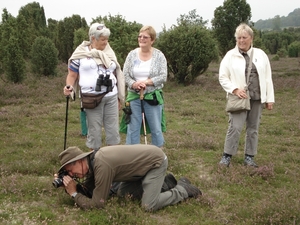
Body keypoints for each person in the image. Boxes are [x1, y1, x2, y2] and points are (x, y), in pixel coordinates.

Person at [54, 145, 202, 211]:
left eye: (70, 170)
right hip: (140, 169)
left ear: (79, 161)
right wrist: (70, 186)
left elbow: (97, 204)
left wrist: (74, 193)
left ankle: (183, 190)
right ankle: (166, 183)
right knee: (124, 195)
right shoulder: (93, 161)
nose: (72, 175)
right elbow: (91, 190)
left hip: (155, 163)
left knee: (148, 206)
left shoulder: (102, 164)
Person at [218, 23, 275, 167]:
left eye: (244, 37)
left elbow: (268, 77)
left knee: (253, 128)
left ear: (251, 38)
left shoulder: (261, 55)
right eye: (238, 38)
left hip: (257, 98)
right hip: (239, 98)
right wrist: (235, 89)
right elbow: (223, 77)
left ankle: (249, 157)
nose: (241, 41)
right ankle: (227, 156)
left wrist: (269, 99)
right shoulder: (230, 55)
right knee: (235, 127)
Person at [63, 22, 125, 151]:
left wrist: (119, 96)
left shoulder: (109, 51)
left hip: (111, 96)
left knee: (113, 131)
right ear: (92, 38)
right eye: (102, 39)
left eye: (107, 39)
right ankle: (94, 161)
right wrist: (69, 86)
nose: (105, 42)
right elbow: (72, 75)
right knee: (94, 131)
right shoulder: (80, 53)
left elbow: (116, 72)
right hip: (91, 98)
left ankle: (112, 161)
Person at [120, 25, 167, 147]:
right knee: (133, 128)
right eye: (140, 36)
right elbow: (125, 74)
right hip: (134, 96)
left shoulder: (159, 55)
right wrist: (134, 84)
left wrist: (145, 82)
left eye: (145, 37)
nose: (141, 39)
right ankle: (132, 156)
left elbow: (163, 76)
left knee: (155, 127)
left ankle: (157, 156)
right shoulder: (132, 55)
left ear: (152, 40)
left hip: (152, 96)